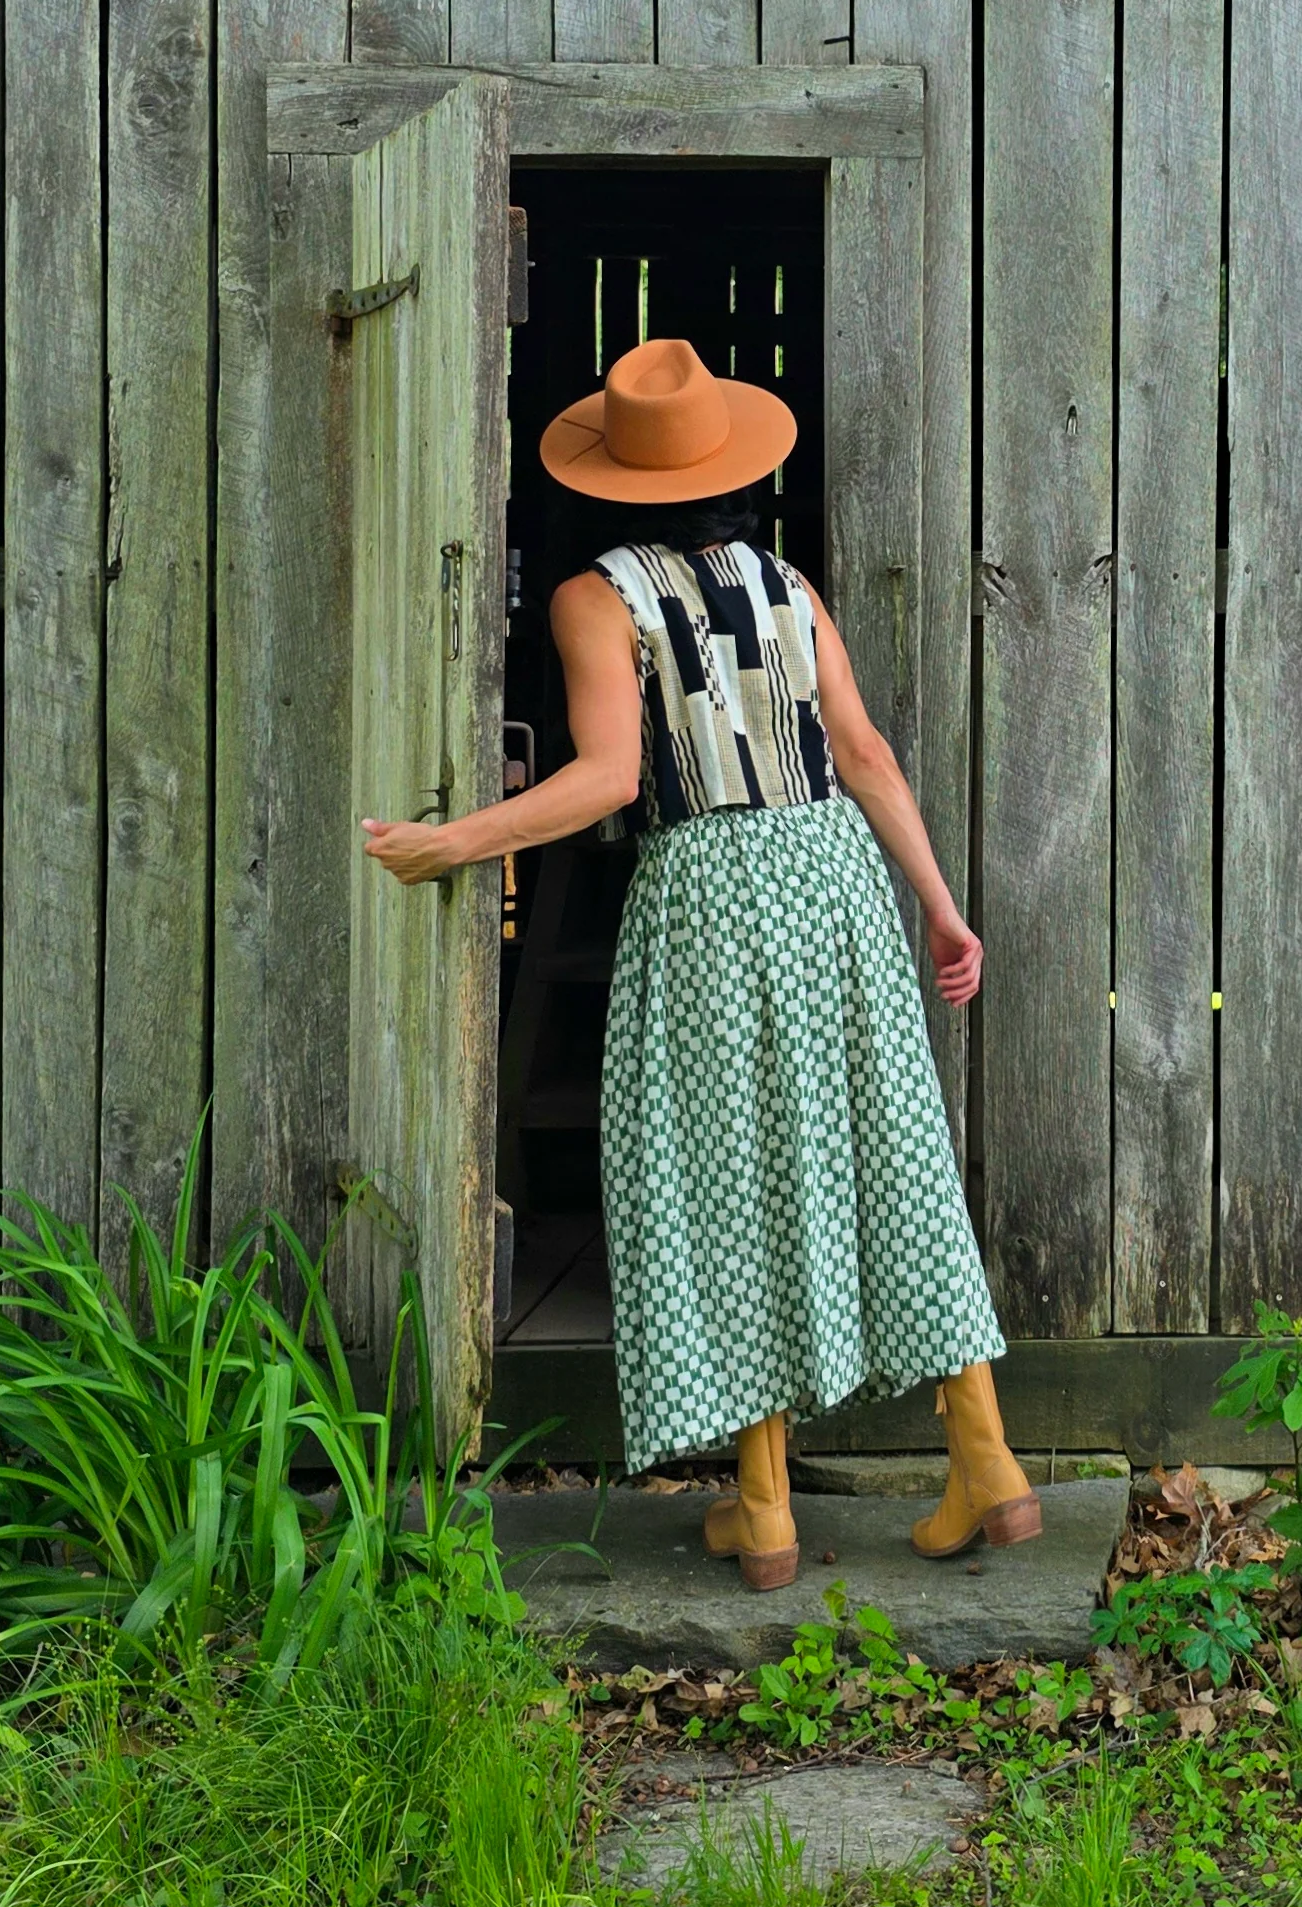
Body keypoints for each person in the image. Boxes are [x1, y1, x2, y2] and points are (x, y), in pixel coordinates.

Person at [361, 335, 1041, 1592]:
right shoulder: (786, 585)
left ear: (607, 478)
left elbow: (612, 778)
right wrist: (939, 907)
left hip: (713, 889)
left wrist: (456, 839)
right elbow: (869, 756)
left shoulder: (594, 597)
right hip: (833, 872)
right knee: (881, 1142)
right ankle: (987, 1461)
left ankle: (767, 1506)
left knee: (730, 1165)